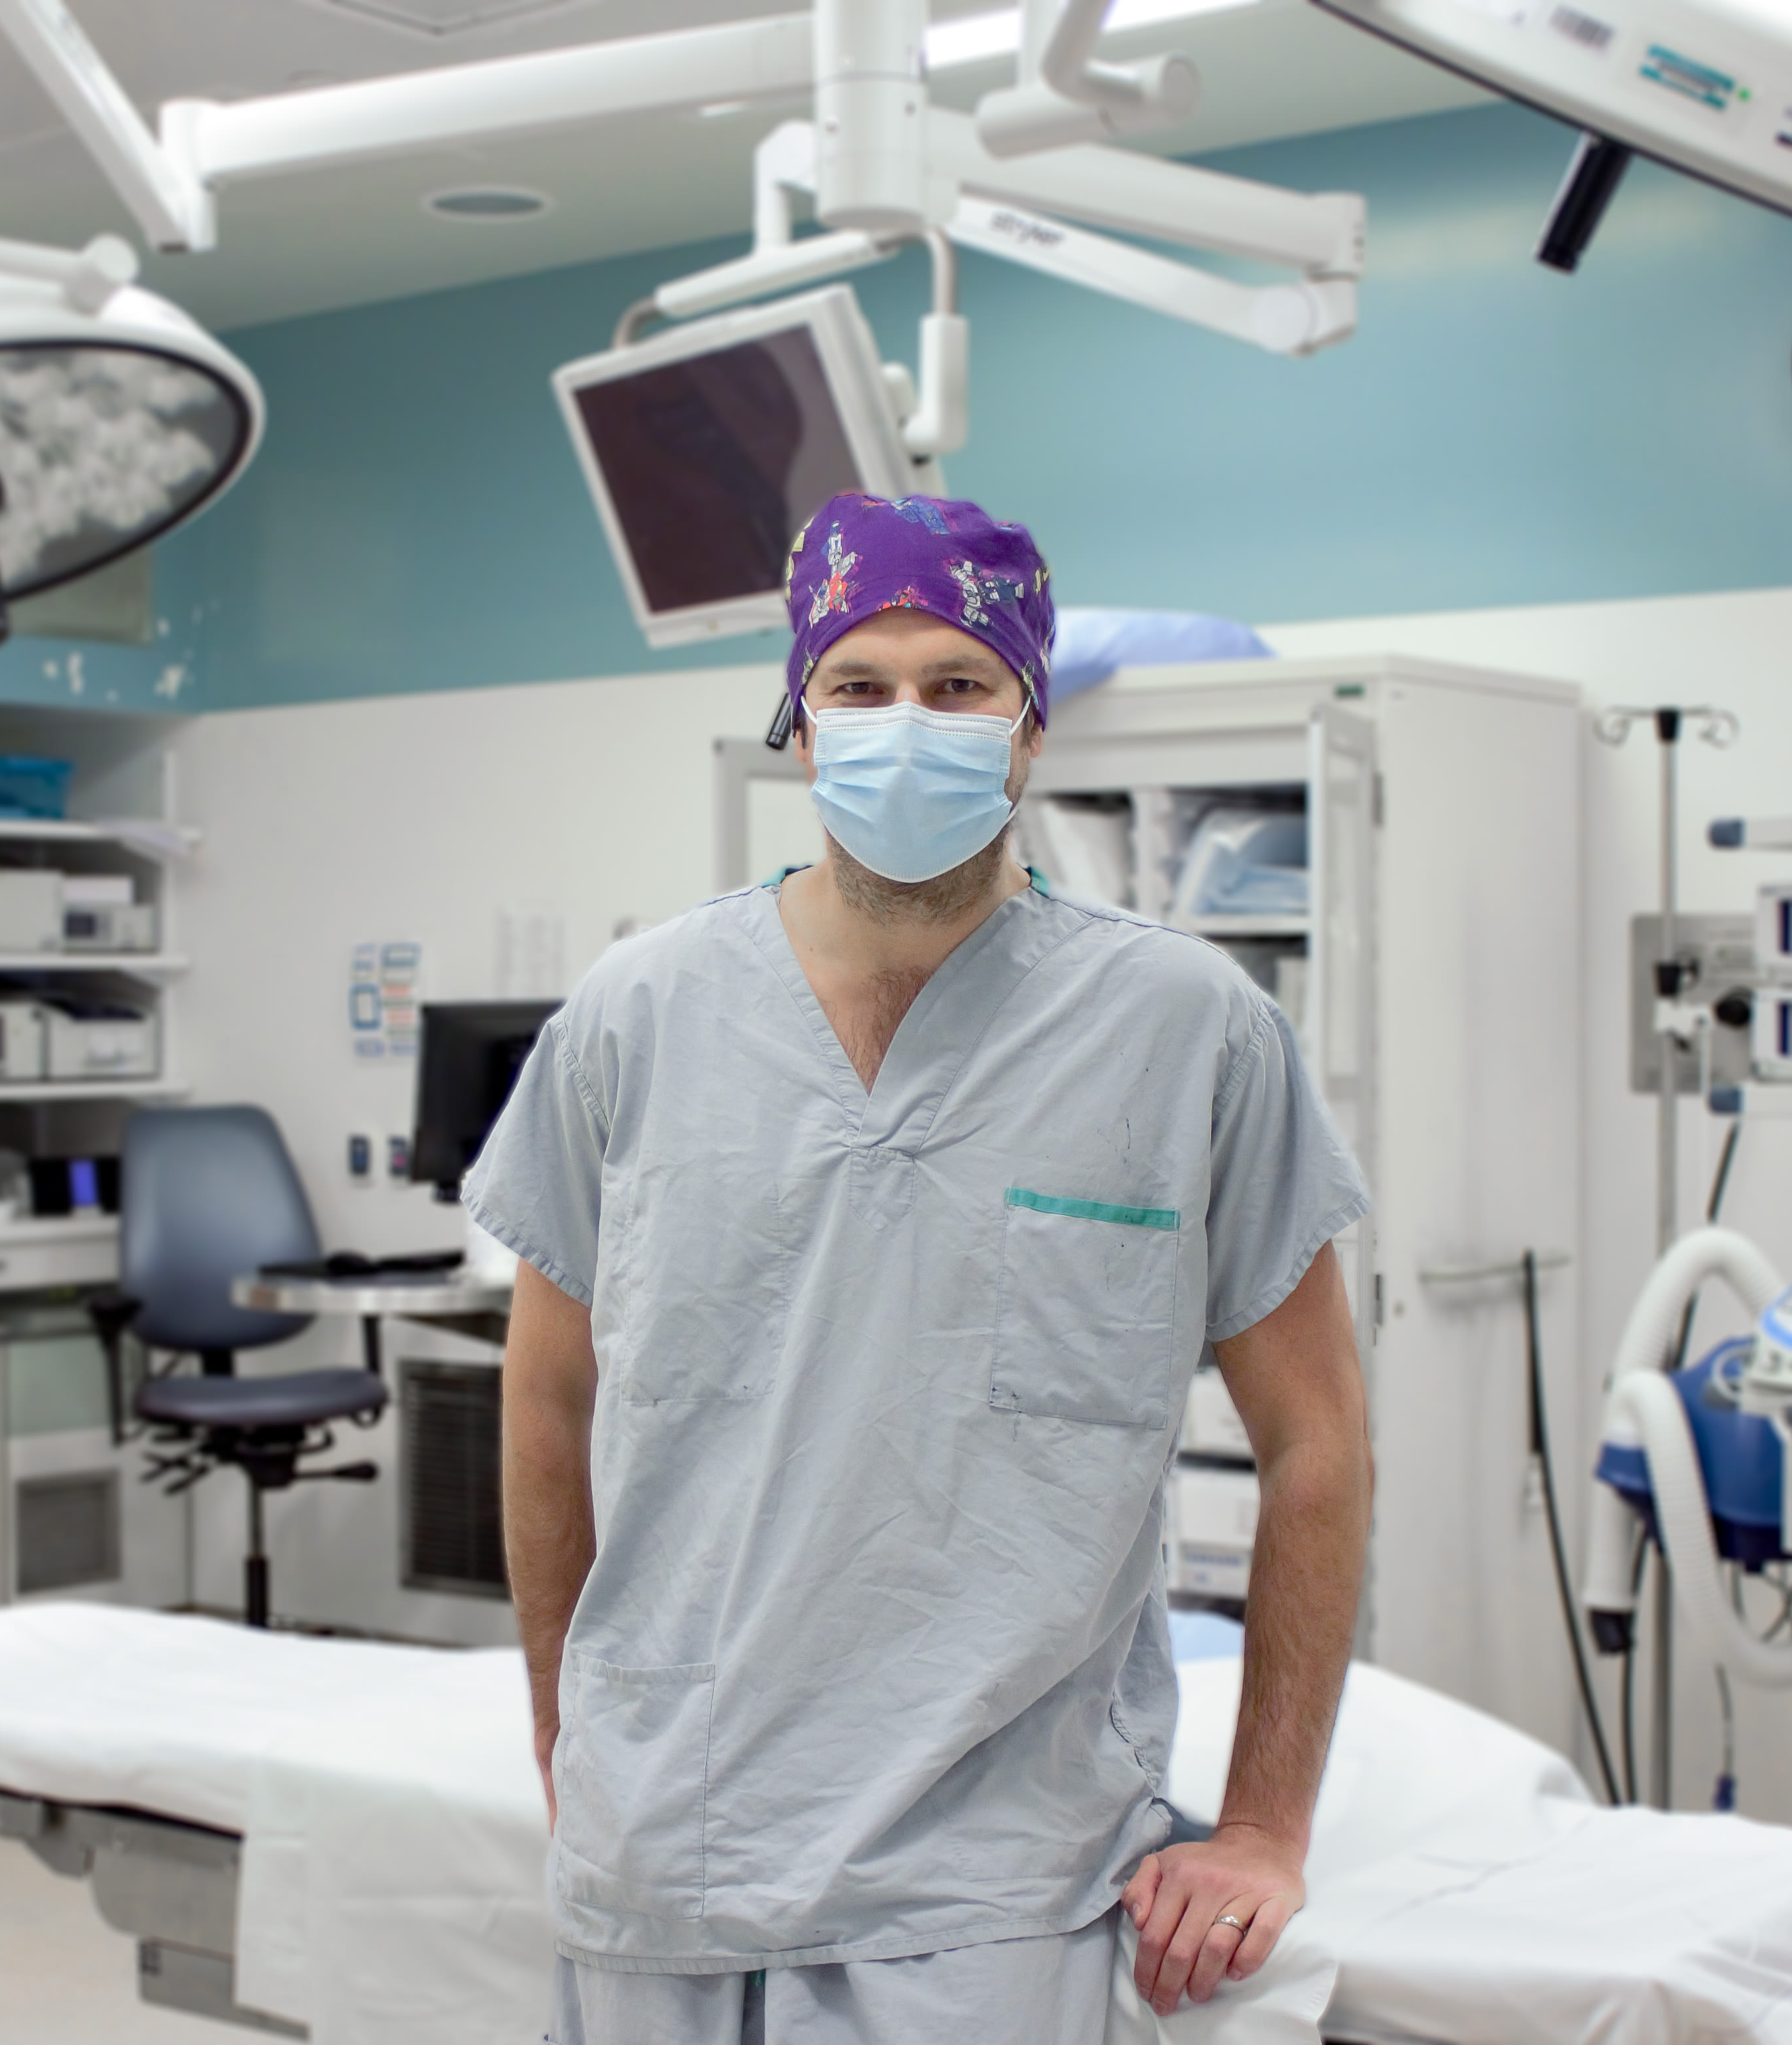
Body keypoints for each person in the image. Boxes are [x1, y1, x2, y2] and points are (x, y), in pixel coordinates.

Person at [466, 491, 1374, 2043]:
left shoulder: (1187, 1029)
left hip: (995, 1888)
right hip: (659, 1859)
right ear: (800, 723)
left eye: (959, 685)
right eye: (860, 683)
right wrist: (570, 1736)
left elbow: (1319, 1444)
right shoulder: (636, 1014)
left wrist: (1265, 1821)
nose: (908, 723)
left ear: (1031, 728)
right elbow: (549, 1404)